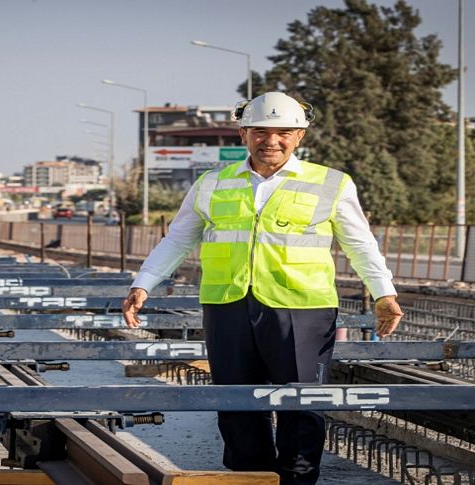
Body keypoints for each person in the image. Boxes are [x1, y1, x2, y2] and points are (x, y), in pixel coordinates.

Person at [121, 91, 403, 485]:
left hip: (302, 310)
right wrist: (143, 284)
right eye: (260, 132)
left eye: (283, 132)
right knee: (236, 403)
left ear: (300, 136)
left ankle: (298, 480)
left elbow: (360, 244)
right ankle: (250, 479)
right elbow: (178, 239)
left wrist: (383, 293)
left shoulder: (331, 184)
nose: (271, 140)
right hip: (227, 305)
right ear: (243, 134)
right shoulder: (212, 183)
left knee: (302, 403)